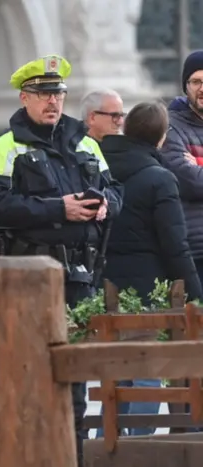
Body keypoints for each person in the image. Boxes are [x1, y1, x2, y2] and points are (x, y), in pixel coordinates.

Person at [0, 55, 123, 467]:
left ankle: (71, 460)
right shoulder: (4, 147)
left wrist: (104, 207)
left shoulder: (86, 143)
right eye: (42, 94)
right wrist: (56, 209)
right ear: (24, 98)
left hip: (82, 277)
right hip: (30, 280)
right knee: (33, 372)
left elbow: (116, 192)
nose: (52, 102)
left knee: (75, 376)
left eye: (57, 93)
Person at [97, 101, 202, 438]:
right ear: (161, 138)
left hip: (106, 282)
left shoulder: (100, 167)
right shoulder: (160, 179)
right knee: (148, 371)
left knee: (117, 373)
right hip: (147, 287)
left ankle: (106, 447)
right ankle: (135, 449)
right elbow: (175, 245)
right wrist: (196, 294)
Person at [159, 50, 203, 290]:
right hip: (196, 249)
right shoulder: (171, 127)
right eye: (196, 82)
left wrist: (198, 164)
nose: (202, 88)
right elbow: (191, 183)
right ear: (185, 86)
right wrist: (194, 171)